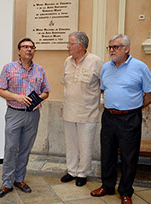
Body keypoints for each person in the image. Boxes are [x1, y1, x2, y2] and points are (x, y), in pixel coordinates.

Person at [90, 34, 151, 204]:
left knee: (128, 156)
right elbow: (104, 89)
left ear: (126, 49)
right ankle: (107, 186)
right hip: (109, 117)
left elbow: (149, 94)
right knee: (107, 153)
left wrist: (134, 107)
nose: (111, 50)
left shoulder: (140, 67)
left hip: (130, 118)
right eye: (109, 47)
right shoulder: (105, 68)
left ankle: (125, 191)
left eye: (115, 47)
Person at [0, 38, 50, 199]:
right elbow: (0, 90)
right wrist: (17, 97)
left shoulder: (40, 70)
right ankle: (6, 183)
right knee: (11, 148)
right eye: (25, 47)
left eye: (32, 47)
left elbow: (46, 92)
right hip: (14, 114)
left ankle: (19, 179)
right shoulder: (8, 68)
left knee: (25, 148)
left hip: (33, 115)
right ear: (19, 51)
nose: (29, 50)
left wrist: (39, 98)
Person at [60, 31, 103, 187]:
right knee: (70, 144)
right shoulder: (67, 61)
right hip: (69, 111)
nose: (68, 46)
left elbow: (103, 85)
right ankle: (71, 171)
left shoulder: (96, 61)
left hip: (87, 112)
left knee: (85, 145)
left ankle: (82, 173)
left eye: (71, 43)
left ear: (81, 45)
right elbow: (66, 83)